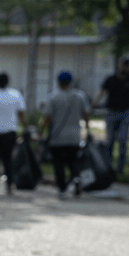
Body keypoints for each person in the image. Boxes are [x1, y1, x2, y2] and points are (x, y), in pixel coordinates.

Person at [92, 57, 129, 174]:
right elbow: (102, 92)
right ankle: (107, 167)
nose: (128, 69)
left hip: (126, 113)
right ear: (121, 66)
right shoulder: (111, 79)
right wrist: (94, 103)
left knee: (123, 140)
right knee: (110, 141)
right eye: (126, 66)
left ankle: (120, 168)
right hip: (111, 112)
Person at [42, 70, 91, 198]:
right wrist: (87, 128)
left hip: (57, 137)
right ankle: (76, 180)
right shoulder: (80, 96)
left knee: (58, 163)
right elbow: (85, 115)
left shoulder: (54, 97)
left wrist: (41, 130)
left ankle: (62, 187)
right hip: (74, 136)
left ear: (58, 82)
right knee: (73, 162)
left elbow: (47, 118)